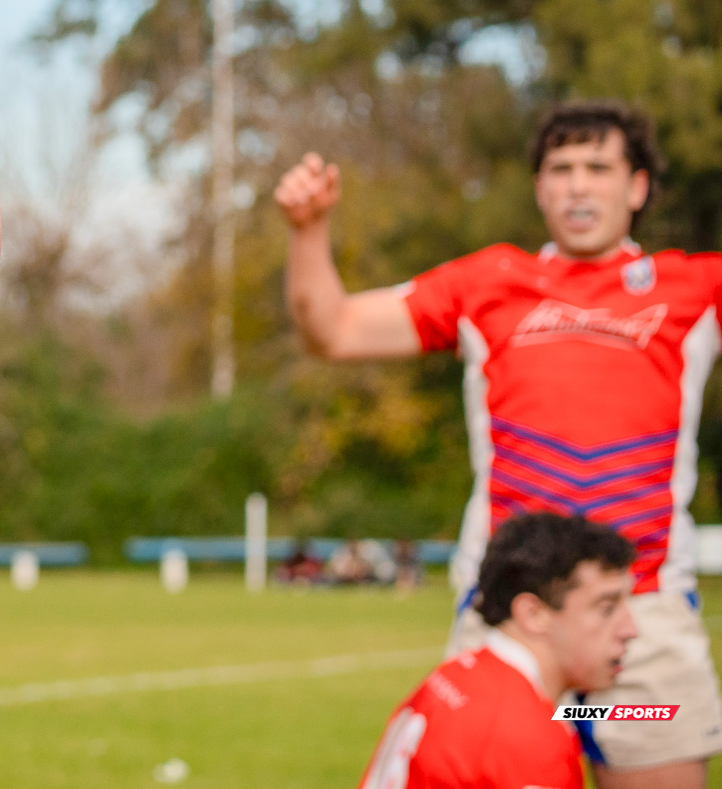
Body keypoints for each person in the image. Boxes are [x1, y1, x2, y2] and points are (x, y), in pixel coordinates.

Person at [278, 100, 722, 786]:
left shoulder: (695, 287)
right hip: (514, 625)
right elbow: (333, 331)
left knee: (652, 749)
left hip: (641, 627)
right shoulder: (486, 282)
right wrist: (308, 231)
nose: (578, 185)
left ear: (636, 187)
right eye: (561, 169)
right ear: (539, 187)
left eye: (599, 168)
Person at [360, 512, 637, 789]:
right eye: (607, 608)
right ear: (533, 614)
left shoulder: (457, 674)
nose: (630, 629)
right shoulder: (528, 740)